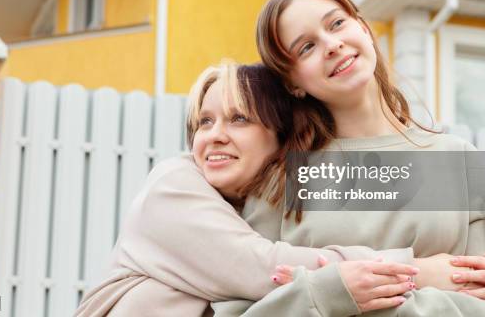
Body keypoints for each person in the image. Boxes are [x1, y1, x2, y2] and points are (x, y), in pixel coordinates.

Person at [209, 0, 485, 316]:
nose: (332, 44)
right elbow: (240, 311)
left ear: (364, 29)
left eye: (337, 23)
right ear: (292, 82)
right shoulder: (280, 180)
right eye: (306, 47)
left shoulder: (458, 160)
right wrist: (333, 291)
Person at [76, 61, 446, 317]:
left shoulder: (271, 205)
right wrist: (417, 271)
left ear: (280, 137)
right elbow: (261, 268)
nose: (215, 135)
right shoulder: (172, 185)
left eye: (239, 119)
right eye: (205, 121)